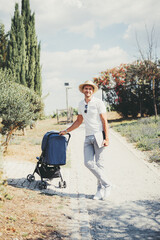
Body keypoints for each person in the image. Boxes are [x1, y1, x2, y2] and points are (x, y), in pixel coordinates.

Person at [59, 80, 111, 200]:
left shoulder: (99, 103)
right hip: (88, 137)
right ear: (83, 90)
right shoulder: (81, 104)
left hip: (98, 135)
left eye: (90, 89)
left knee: (99, 164)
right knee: (87, 162)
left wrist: (106, 138)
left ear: (93, 91)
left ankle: (100, 190)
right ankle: (107, 184)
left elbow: (104, 121)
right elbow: (78, 121)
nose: (88, 91)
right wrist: (66, 131)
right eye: (86, 88)